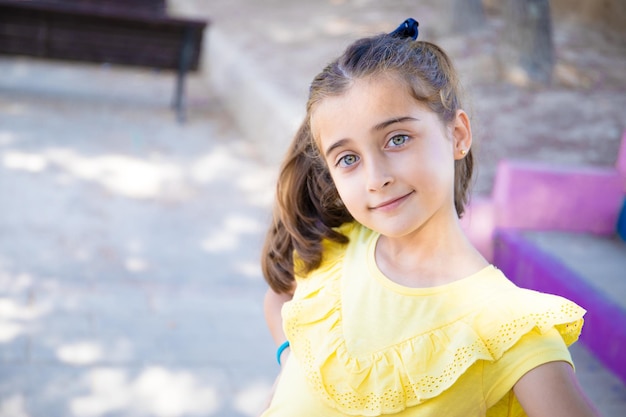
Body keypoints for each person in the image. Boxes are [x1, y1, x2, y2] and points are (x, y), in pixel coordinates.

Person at [259, 18, 599, 417]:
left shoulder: (511, 328)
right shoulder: (337, 248)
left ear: (457, 135)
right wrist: (290, 361)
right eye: (348, 159)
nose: (376, 178)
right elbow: (281, 296)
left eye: (397, 138)